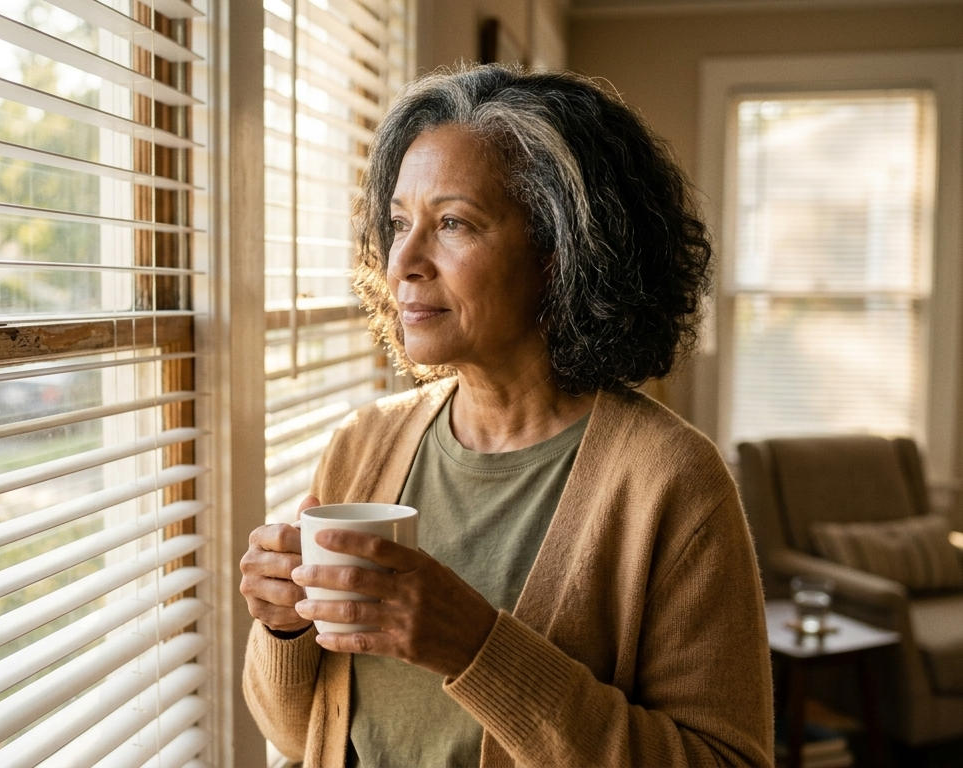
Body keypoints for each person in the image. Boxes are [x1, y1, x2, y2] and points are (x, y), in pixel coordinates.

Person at [239, 65, 773, 768]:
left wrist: (476, 648)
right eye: (400, 223)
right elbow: (300, 734)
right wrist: (281, 630)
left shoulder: (672, 482)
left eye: (453, 223)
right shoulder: (363, 445)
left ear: (561, 251)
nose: (403, 260)